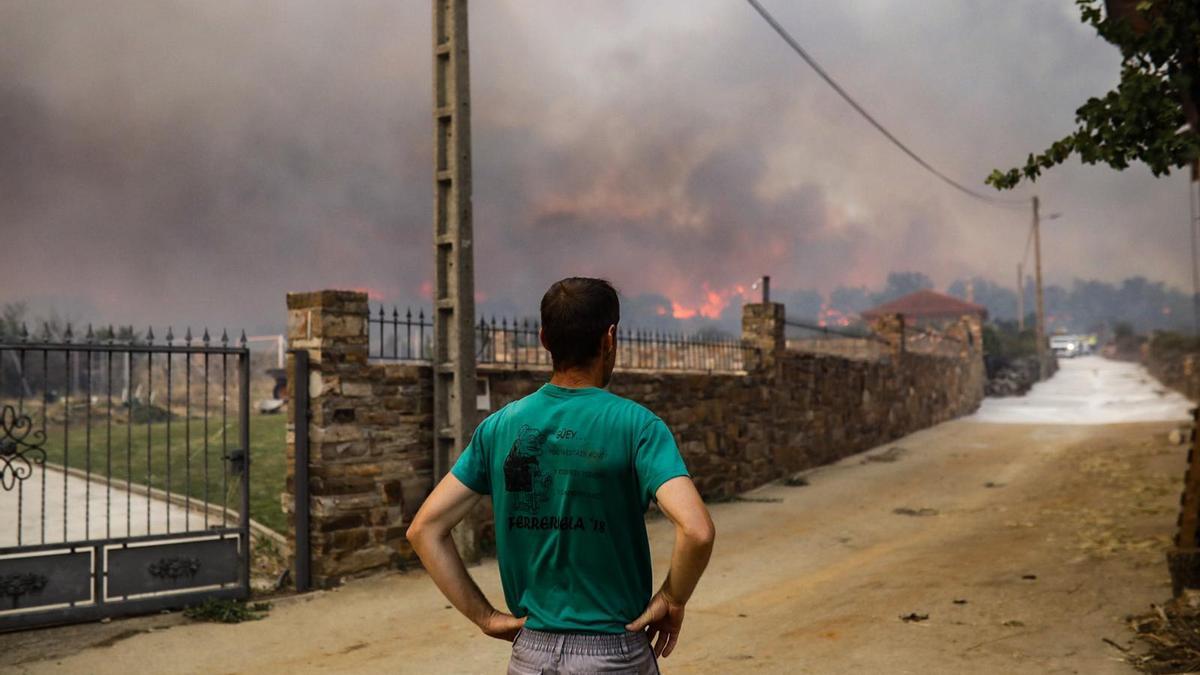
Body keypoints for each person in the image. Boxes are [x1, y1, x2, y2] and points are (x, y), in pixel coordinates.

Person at [407, 277, 716, 674]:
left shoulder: (500, 428)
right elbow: (697, 530)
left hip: (530, 655)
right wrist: (673, 597)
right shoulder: (637, 426)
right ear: (610, 338)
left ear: (543, 339)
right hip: (615, 654)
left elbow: (424, 530)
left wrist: (484, 617)